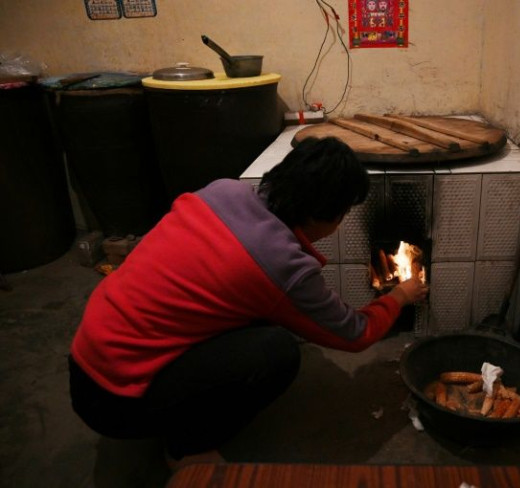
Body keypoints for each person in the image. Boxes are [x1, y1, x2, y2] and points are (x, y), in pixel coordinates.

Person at [67, 136, 428, 469]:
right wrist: (400, 295)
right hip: (115, 402)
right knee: (278, 352)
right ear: (328, 215)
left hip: (87, 355)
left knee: (258, 318)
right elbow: (356, 334)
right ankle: (189, 447)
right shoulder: (280, 266)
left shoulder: (222, 191)